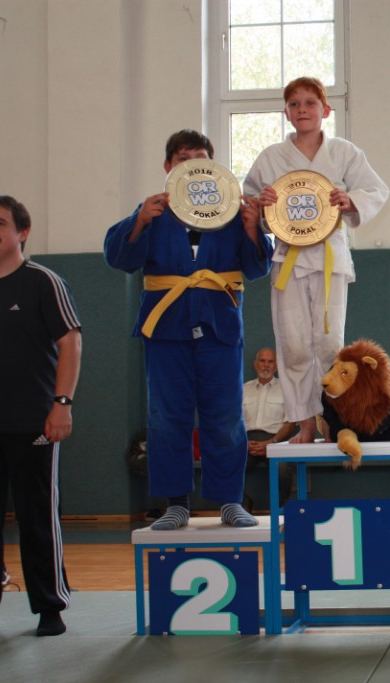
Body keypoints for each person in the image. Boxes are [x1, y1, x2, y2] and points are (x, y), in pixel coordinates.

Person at [104, 130, 274, 531]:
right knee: (167, 416)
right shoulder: (153, 212)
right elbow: (119, 258)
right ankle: (176, 503)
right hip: (166, 328)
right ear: (169, 166)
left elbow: (257, 268)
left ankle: (230, 500)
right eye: (183, 158)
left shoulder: (232, 211)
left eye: (200, 157)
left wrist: (253, 228)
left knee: (225, 415)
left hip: (219, 328)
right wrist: (138, 220)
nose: (192, 163)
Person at [0, 196, 81, 636]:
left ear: (22, 232)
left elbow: (70, 343)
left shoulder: (43, 282)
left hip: (32, 422)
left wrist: (62, 404)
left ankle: (49, 607)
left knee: (36, 516)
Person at [244, 76, 388, 446]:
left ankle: (332, 418)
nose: (302, 109)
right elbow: (249, 202)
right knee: (292, 345)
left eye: (310, 103)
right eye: (294, 104)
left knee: (329, 343)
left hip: (329, 259)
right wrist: (262, 205)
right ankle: (303, 421)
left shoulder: (343, 152)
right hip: (288, 260)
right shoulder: (271, 158)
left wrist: (350, 199)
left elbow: (376, 189)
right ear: (286, 113)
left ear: (325, 110)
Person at [243, 347, 295, 509]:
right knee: (226, 465)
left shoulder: (286, 389)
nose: (266, 365)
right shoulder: (243, 389)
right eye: (262, 361)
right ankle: (242, 504)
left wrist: (271, 442)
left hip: (276, 442)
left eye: (270, 362)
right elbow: (234, 421)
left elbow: (290, 423)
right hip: (246, 443)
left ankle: (282, 509)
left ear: (276, 366)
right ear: (255, 364)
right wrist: (243, 443)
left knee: (283, 468)